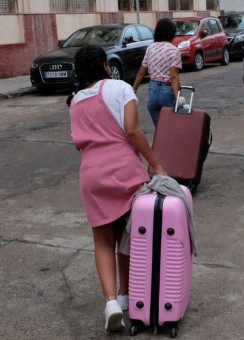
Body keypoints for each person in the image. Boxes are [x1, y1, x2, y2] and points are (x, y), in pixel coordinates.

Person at [68, 46, 167, 332]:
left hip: (92, 175)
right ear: (103, 64)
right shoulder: (120, 87)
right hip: (125, 171)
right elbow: (132, 130)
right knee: (130, 235)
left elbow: (78, 142)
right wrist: (156, 164)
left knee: (102, 241)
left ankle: (111, 301)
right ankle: (127, 294)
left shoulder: (75, 101)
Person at [132, 18, 181, 127]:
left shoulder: (150, 48)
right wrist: (178, 97)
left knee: (160, 130)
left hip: (152, 91)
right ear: (172, 33)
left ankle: (161, 143)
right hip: (167, 92)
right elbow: (173, 76)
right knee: (171, 128)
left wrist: (134, 88)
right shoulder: (175, 51)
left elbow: (142, 72)